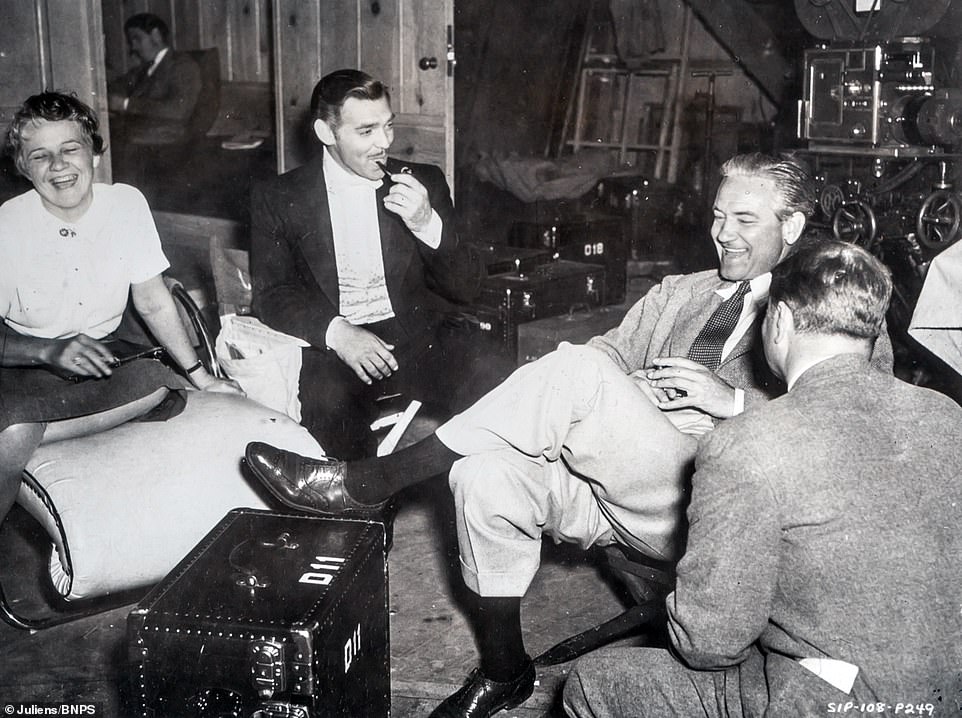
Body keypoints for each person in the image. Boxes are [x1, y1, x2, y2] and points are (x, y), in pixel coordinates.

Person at [245, 153, 894, 718]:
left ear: (793, 227)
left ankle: (372, 481)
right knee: (483, 473)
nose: (722, 233)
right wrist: (623, 391)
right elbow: (605, 354)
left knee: (576, 372)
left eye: (744, 220)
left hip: (708, 505)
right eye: (719, 216)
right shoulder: (681, 292)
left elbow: (854, 421)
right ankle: (504, 668)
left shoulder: (828, 309)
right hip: (612, 483)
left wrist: (734, 401)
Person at [563, 239, 962, 717]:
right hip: (948, 693)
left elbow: (708, 644)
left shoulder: (747, 442)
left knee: (592, 682)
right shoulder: (947, 415)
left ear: (780, 320)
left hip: (841, 703)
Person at [0, 91, 239, 529]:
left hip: (104, 362)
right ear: (22, 166)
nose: (58, 166)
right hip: (21, 366)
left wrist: (200, 374)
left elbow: (152, 299)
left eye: (70, 149)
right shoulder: (7, 226)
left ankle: (36, 431)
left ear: (93, 153)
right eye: (40, 156)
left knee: (163, 386)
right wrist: (46, 351)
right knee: (12, 437)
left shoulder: (126, 204)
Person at [249, 68, 506, 459]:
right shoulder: (278, 196)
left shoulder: (425, 181)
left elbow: (467, 287)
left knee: (495, 376)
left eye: (388, 126)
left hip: (418, 337)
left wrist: (426, 224)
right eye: (366, 131)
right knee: (329, 409)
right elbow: (271, 294)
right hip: (334, 348)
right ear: (325, 133)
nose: (384, 143)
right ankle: (364, 495)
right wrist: (338, 333)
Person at [107, 13, 201, 145]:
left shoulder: (182, 65)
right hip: (140, 136)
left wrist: (126, 104)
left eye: (137, 39)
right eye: (131, 41)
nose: (133, 47)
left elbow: (178, 110)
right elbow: (119, 84)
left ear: (156, 35)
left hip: (166, 141)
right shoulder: (144, 68)